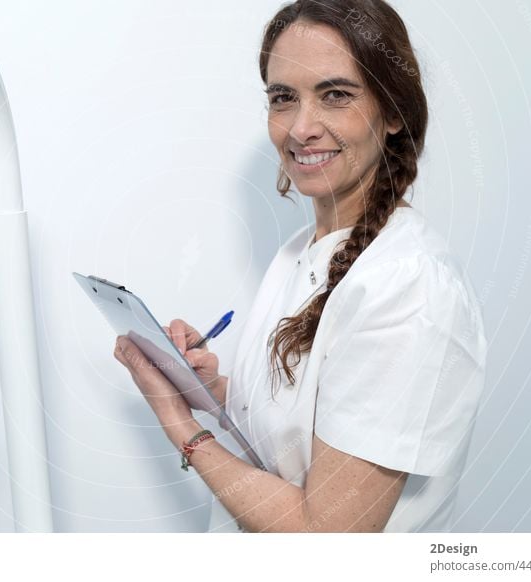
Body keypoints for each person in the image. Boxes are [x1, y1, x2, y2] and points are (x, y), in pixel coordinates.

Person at [114, 0, 486, 533]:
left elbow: (328, 537)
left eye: (335, 95)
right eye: (283, 98)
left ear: (393, 115)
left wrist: (179, 426)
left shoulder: (408, 287)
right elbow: (303, 437)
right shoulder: (301, 251)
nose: (301, 127)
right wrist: (208, 394)